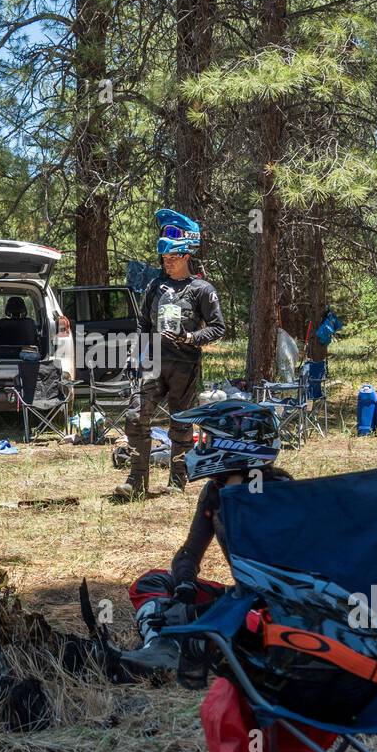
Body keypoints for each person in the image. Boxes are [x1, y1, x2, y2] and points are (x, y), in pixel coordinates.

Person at [121, 400, 288, 671]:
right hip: (240, 598)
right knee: (150, 582)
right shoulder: (215, 491)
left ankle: (194, 637)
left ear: (237, 445)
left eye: (209, 441)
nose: (200, 448)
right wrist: (185, 588)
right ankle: (162, 648)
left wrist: (200, 610)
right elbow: (189, 551)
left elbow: (279, 581)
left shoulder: (279, 493)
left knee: (258, 622)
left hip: (274, 605)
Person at [114, 209, 227, 499]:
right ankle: (136, 481)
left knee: (180, 423)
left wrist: (190, 337)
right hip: (152, 363)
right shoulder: (155, 285)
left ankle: (177, 480)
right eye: (164, 259)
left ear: (187, 256)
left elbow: (217, 327)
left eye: (172, 259)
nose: (167, 263)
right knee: (136, 415)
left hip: (185, 365)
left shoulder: (202, 289)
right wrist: (134, 354)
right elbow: (142, 322)